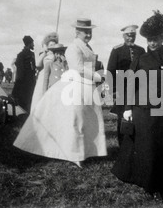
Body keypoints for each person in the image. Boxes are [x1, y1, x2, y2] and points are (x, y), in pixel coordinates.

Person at [13, 18, 107, 168]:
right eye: (85, 32)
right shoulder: (73, 48)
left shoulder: (87, 47)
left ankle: (86, 150)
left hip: (87, 87)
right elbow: (79, 68)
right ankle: (74, 154)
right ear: (77, 32)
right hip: (75, 86)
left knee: (87, 120)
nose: (88, 34)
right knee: (75, 120)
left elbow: (89, 66)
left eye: (90, 32)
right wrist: (97, 76)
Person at [111, 10, 163, 201]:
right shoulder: (140, 59)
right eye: (149, 39)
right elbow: (130, 84)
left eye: (156, 39)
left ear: (162, 38)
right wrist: (127, 108)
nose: (152, 43)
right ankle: (150, 185)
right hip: (143, 111)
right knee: (148, 148)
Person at [107, 25, 145, 146]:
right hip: (121, 89)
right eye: (128, 36)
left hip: (138, 89)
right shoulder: (117, 50)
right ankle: (123, 145)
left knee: (137, 116)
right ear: (123, 36)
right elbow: (110, 70)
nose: (130, 38)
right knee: (122, 118)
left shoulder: (141, 50)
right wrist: (113, 90)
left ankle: (136, 144)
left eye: (133, 36)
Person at [30, 32, 58, 112]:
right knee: (38, 98)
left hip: (51, 80)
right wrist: (45, 53)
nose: (53, 47)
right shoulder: (44, 54)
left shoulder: (56, 55)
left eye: (54, 45)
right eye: (51, 45)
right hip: (42, 80)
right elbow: (38, 64)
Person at [12, 35, 36, 113]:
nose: (33, 45)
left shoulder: (31, 54)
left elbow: (33, 68)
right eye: (32, 43)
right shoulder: (21, 55)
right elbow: (20, 72)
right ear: (29, 43)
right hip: (24, 83)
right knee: (24, 102)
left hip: (30, 82)